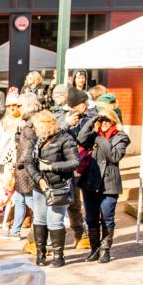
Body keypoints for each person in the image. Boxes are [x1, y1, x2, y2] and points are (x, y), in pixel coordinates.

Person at [26, 110, 80, 268]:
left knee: (55, 221)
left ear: (45, 125)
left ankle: (59, 256)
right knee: (39, 219)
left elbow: (75, 162)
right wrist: (39, 179)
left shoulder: (65, 139)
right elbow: (29, 163)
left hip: (59, 186)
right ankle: (41, 253)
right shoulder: (39, 139)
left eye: (36, 126)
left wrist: (51, 166)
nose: (34, 129)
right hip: (40, 186)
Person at [76, 108, 129, 263]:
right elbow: (80, 138)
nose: (104, 123)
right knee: (91, 218)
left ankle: (105, 249)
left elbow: (114, 156)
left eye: (107, 120)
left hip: (109, 183)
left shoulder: (121, 137)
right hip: (90, 180)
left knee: (107, 217)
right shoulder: (93, 134)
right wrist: (91, 122)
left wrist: (100, 139)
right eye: (101, 120)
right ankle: (95, 249)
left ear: (113, 121)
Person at [59, 87, 95, 251]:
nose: (86, 104)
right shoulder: (59, 117)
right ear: (75, 104)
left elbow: (86, 140)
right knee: (55, 204)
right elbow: (51, 136)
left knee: (74, 203)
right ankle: (36, 239)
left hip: (78, 167)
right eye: (83, 102)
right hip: (59, 167)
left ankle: (81, 236)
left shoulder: (87, 118)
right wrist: (67, 124)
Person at [0, 93, 24, 237]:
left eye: (14, 106)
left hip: (19, 160)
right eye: (9, 106)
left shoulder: (23, 122)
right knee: (3, 188)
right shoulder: (2, 123)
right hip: (4, 159)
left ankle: (14, 220)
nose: (12, 109)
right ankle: (3, 220)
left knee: (17, 191)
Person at [13, 93, 42, 241]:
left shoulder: (29, 126)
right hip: (24, 169)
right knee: (19, 199)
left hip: (26, 170)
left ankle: (42, 233)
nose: (17, 108)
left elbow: (27, 149)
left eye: (20, 105)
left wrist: (17, 163)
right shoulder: (29, 123)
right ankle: (15, 231)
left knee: (32, 202)